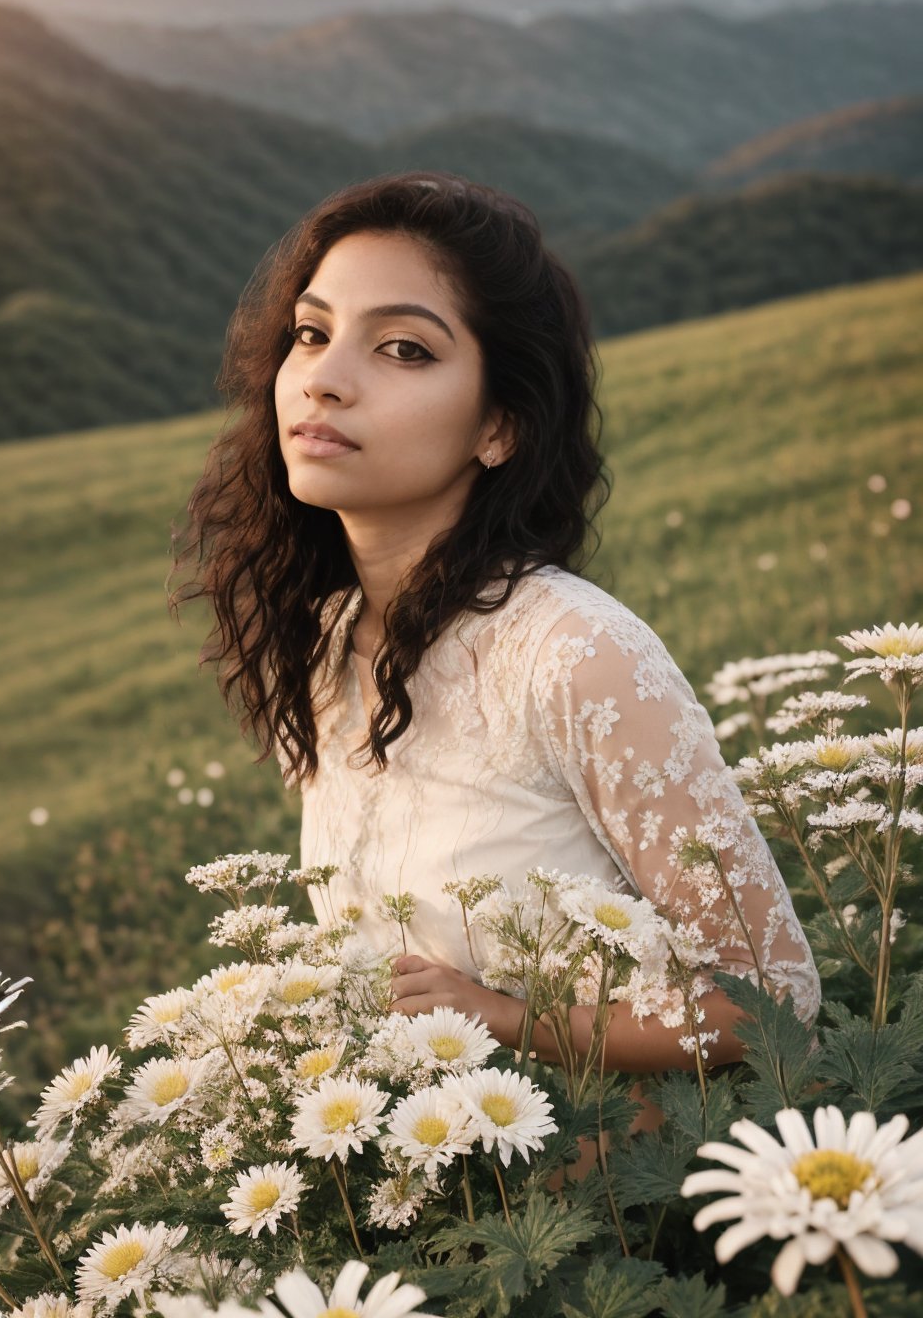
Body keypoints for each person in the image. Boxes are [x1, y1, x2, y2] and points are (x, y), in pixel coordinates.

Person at [170, 170, 820, 1078]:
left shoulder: (574, 654)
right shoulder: (325, 643)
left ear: (500, 427)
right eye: (312, 334)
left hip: (615, 1207)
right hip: (424, 1200)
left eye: (402, 349)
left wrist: (510, 1021)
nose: (323, 379)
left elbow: (775, 1002)